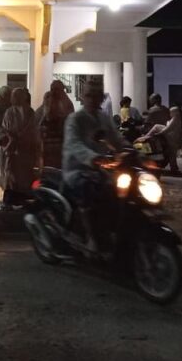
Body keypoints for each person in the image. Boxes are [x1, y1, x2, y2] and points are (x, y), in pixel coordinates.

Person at [62, 80, 124, 254]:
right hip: (77, 169)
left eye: (96, 95)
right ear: (82, 96)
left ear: (101, 98)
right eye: (89, 95)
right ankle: (91, 237)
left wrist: (132, 152)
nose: (92, 99)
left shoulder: (103, 118)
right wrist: (93, 158)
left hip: (100, 169)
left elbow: (116, 139)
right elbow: (74, 144)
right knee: (87, 191)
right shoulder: (75, 119)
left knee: (117, 192)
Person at [0, 88, 41, 206]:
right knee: (12, 176)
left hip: (26, 151)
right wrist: (11, 139)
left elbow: (33, 129)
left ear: (23, 97)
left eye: (15, 96)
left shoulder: (30, 112)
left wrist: (23, 136)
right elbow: (5, 129)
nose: (12, 99)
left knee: (26, 177)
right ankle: (10, 200)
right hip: (13, 150)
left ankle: (24, 199)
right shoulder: (9, 112)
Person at [36, 79, 74, 169]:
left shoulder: (67, 103)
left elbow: (69, 120)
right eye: (52, 89)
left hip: (62, 142)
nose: (54, 92)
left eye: (56, 89)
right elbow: (41, 117)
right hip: (47, 142)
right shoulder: (48, 99)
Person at [137, 105, 182, 173]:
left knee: (156, 127)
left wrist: (159, 133)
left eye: (171, 112)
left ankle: (147, 136)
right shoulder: (175, 119)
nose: (170, 114)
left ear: (175, 112)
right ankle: (174, 168)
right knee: (172, 154)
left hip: (171, 137)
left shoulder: (175, 119)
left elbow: (168, 129)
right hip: (172, 137)